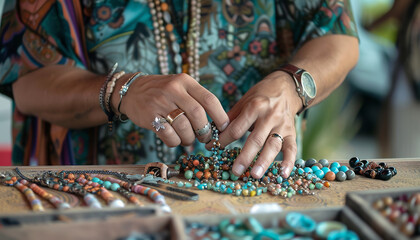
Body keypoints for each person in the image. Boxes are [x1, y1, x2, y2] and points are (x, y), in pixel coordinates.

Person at [0, 0, 359, 179]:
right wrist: (120, 90)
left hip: (254, 192)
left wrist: (293, 84)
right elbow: (26, 76)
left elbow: (338, 35)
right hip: (97, 199)